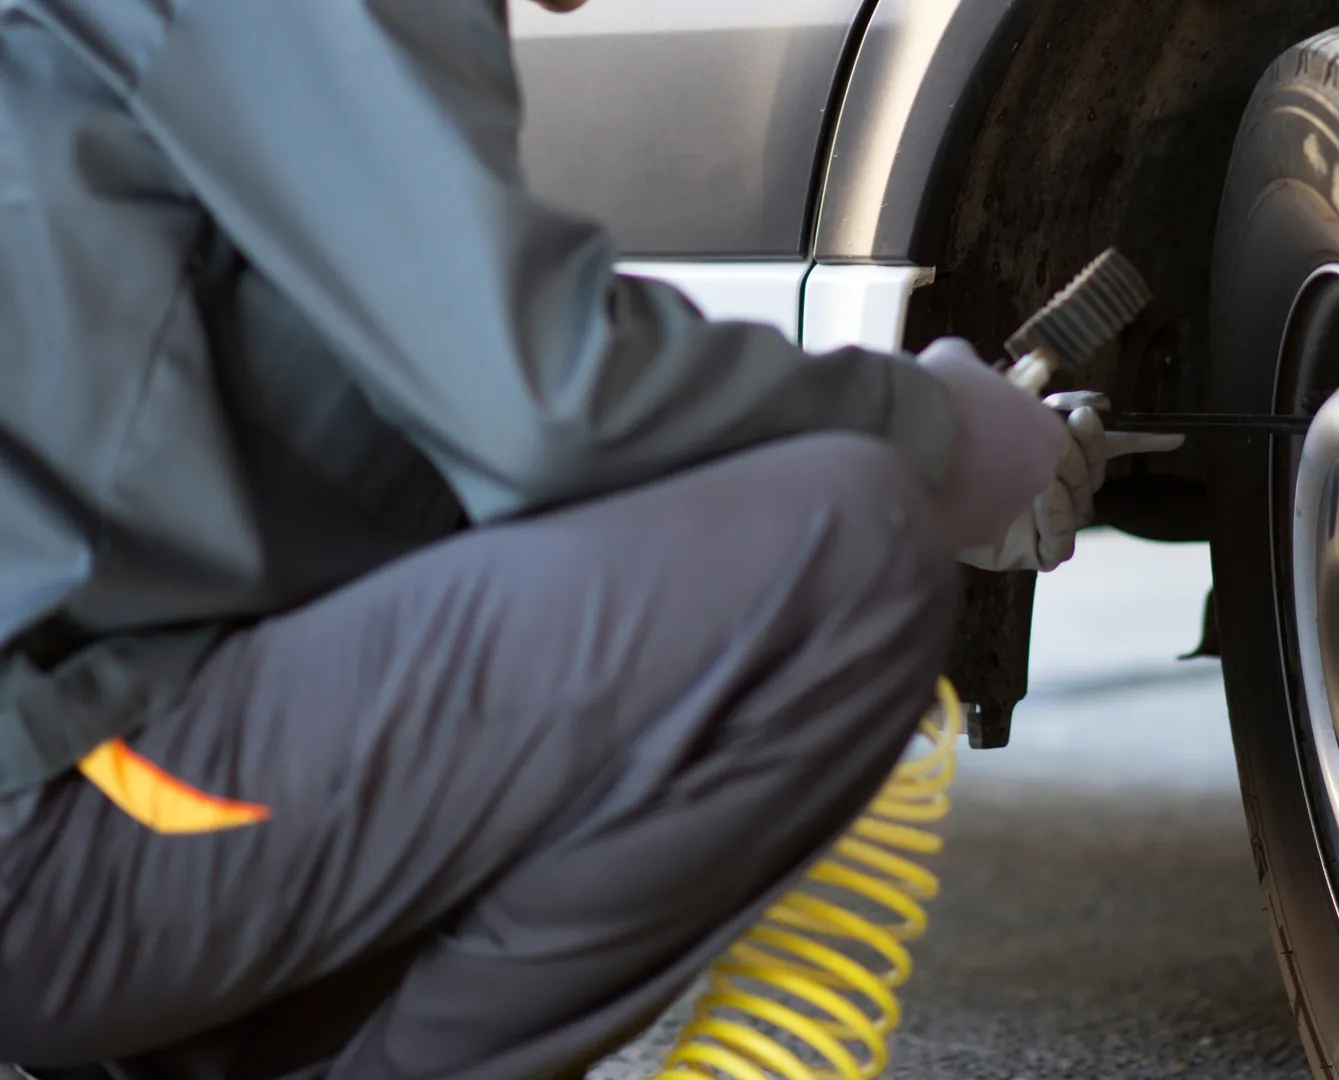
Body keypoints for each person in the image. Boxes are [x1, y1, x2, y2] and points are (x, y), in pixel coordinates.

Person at [0, 1, 1183, 1078]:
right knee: (838, 550)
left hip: (79, 773)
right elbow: (541, 400)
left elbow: (439, 446)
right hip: (52, 816)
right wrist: (925, 432)